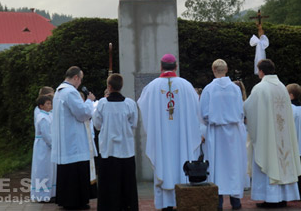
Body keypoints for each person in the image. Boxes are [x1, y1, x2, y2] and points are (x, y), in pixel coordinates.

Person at [137, 54, 201, 210]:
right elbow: (196, 109)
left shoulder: (151, 87)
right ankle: (182, 201)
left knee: (164, 165)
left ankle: (166, 204)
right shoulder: (186, 86)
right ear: (176, 66)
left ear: (161, 66)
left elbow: (142, 106)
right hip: (182, 137)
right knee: (181, 162)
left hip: (161, 138)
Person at [244, 59, 301, 208]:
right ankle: (283, 198)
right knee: (282, 162)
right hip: (283, 135)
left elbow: (249, 108)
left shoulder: (260, 88)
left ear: (261, 71)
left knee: (268, 160)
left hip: (267, 135)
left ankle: (270, 199)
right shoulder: (282, 87)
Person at [200, 59, 247, 210]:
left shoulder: (209, 89)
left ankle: (218, 202)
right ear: (226, 70)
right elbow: (240, 111)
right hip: (233, 132)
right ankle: (235, 201)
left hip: (216, 132)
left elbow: (203, 113)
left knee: (216, 166)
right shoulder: (235, 89)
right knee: (233, 165)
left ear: (213, 70)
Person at [51, 66, 96, 210]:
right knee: (75, 172)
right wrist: (89, 101)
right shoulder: (71, 92)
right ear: (76, 77)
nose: (80, 82)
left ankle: (67, 200)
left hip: (66, 140)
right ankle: (76, 202)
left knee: (67, 173)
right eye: (80, 79)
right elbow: (82, 113)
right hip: (74, 142)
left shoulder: (59, 91)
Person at [93, 73, 139, 210]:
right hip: (126, 149)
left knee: (108, 182)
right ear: (121, 86)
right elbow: (133, 124)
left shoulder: (101, 104)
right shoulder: (130, 104)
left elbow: (97, 125)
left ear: (109, 86)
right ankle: (128, 206)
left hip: (108, 149)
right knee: (127, 182)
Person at [31, 95, 56, 202]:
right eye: (48, 104)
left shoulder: (48, 115)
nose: (50, 106)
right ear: (41, 106)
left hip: (47, 147)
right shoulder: (42, 117)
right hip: (43, 147)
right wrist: (52, 144)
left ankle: (50, 193)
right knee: (43, 170)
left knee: (50, 170)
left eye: (50, 103)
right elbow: (46, 134)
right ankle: (42, 194)